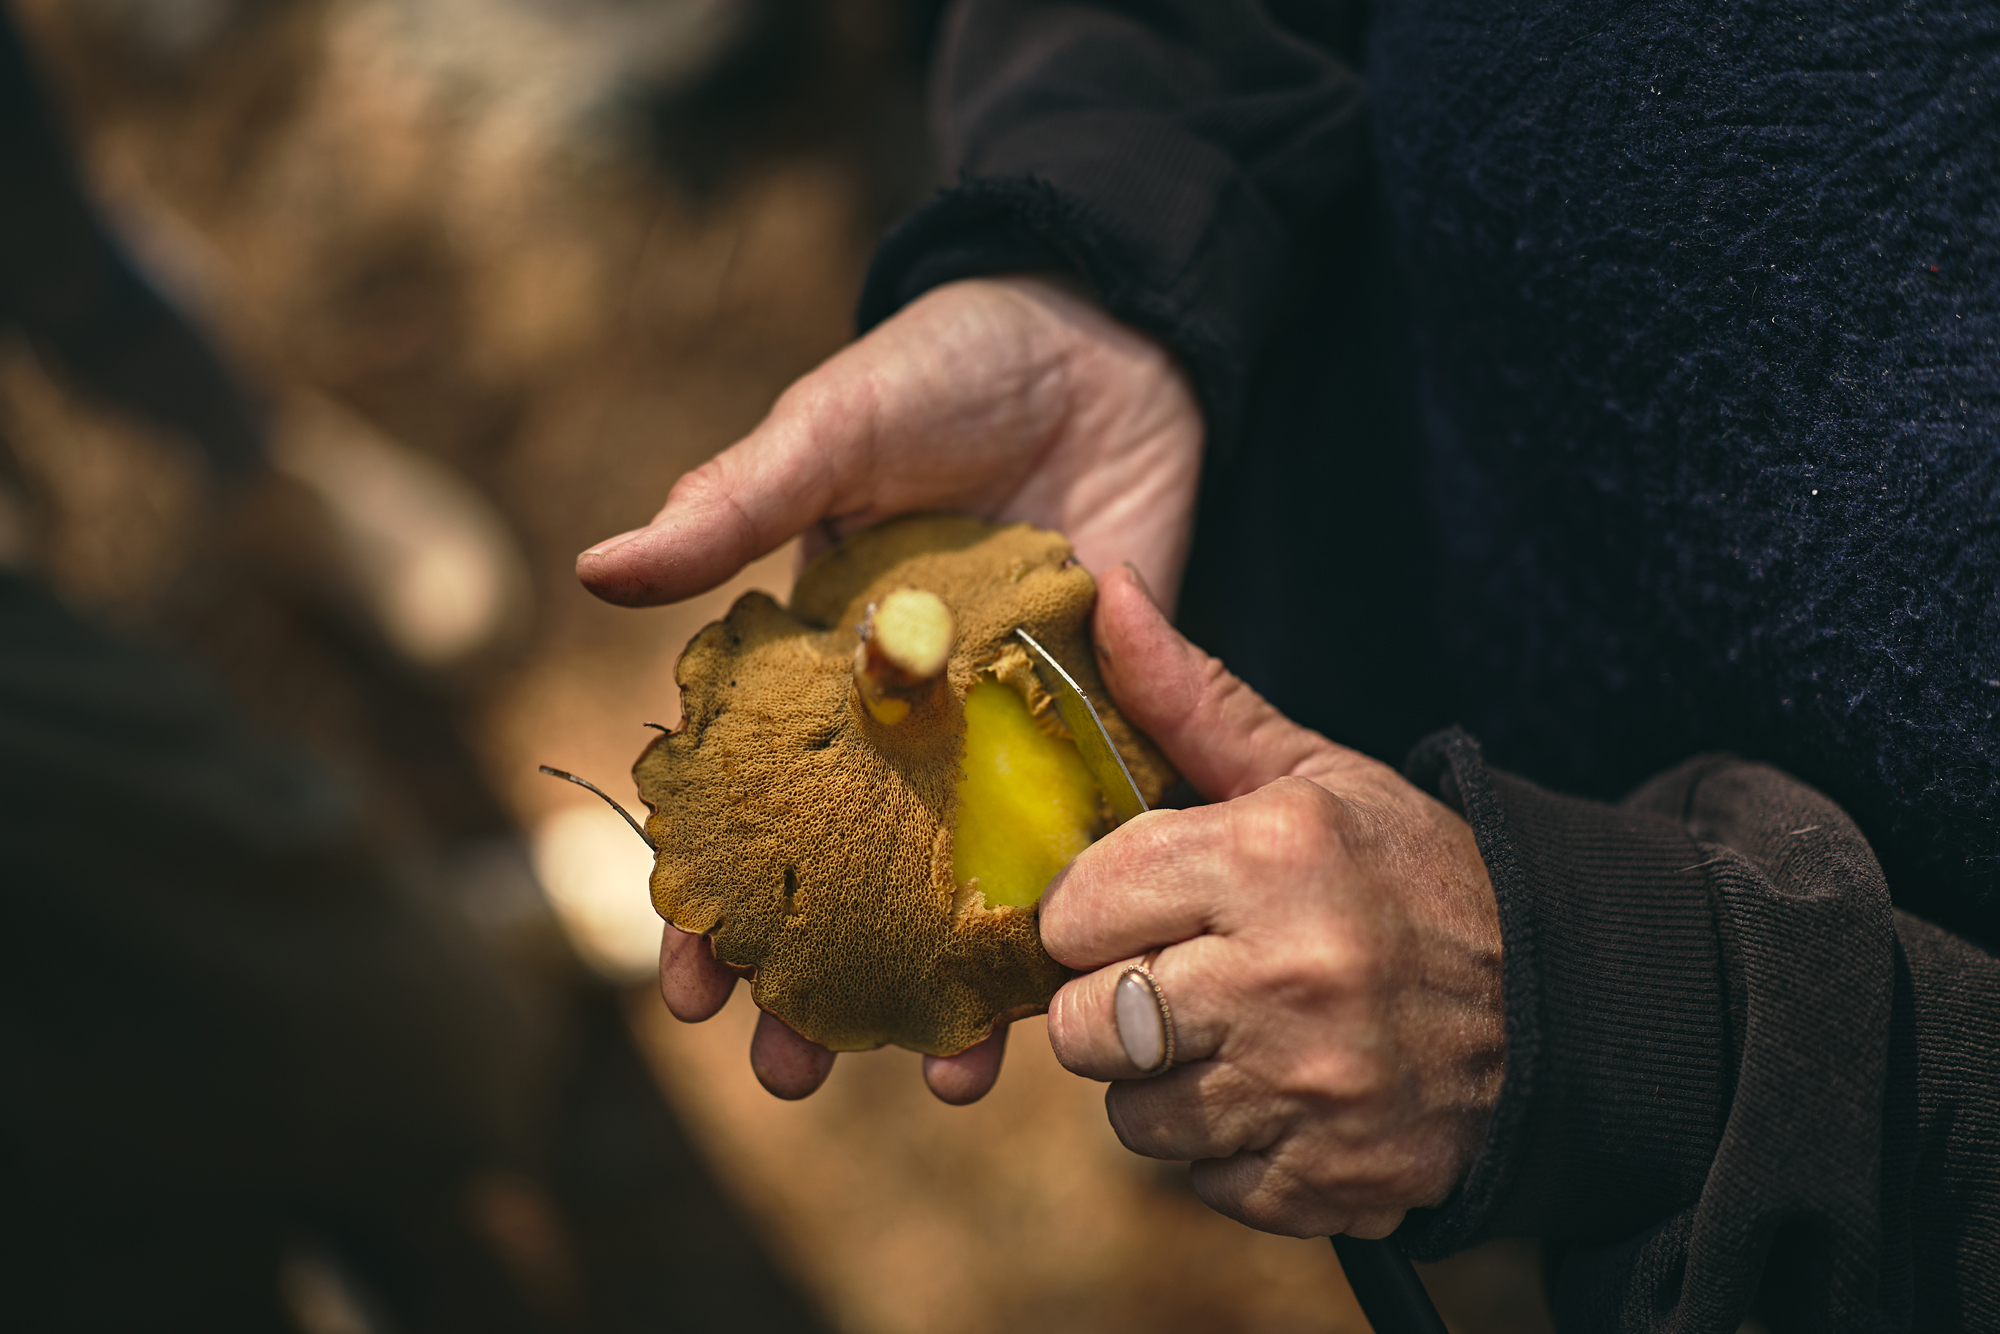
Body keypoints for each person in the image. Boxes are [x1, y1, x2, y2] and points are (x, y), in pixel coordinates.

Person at [579, 1, 2000, 1327]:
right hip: (1246, 551)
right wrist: (1119, 229)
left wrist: (1654, 1034)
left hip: (1783, 1188)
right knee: (1225, 1037)